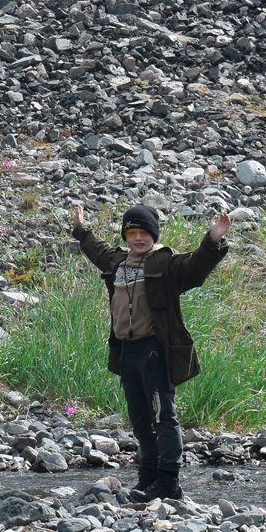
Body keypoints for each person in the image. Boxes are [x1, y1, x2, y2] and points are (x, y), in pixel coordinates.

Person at [71, 202, 230, 502]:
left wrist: (212, 240)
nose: (138, 238)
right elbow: (95, 248)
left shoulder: (165, 264)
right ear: (126, 236)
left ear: (153, 234)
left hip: (155, 352)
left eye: (144, 232)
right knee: (140, 418)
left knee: (163, 417)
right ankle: (149, 477)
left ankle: (169, 481)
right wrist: (81, 229)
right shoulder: (117, 262)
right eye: (132, 232)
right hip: (126, 352)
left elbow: (195, 268)